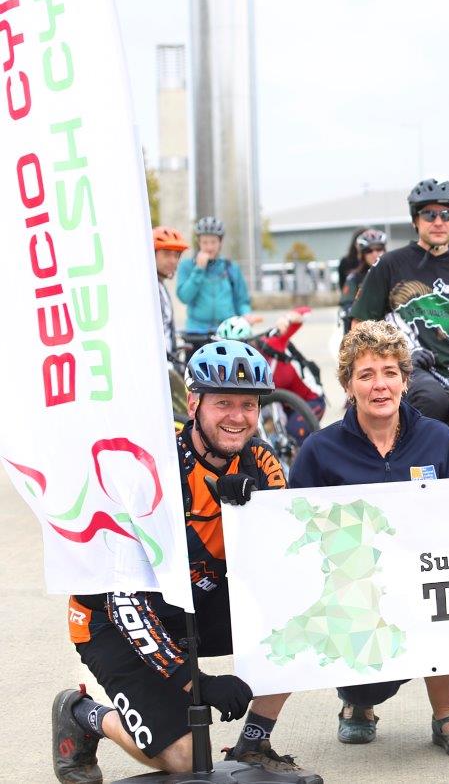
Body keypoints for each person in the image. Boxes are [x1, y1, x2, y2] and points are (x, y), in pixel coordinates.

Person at [53, 340, 319, 783]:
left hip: (192, 602)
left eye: (248, 405)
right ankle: (83, 715)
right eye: (223, 403)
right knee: (184, 757)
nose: (238, 417)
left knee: (304, 612)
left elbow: (286, 563)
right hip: (112, 617)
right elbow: (127, 607)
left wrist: (254, 518)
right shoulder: (155, 473)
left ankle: (253, 743)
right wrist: (199, 682)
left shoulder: (263, 461)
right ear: (193, 402)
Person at [288, 321, 449, 759]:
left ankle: (447, 715)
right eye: (366, 374)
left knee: (448, 598)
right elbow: (293, 529)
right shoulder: (320, 452)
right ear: (347, 384)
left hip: (423, 578)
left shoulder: (438, 439)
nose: (380, 385)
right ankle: (358, 704)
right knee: (368, 685)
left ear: (404, 379)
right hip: (353, 594)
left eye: (389, 372)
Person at [348, 179, 449, 424]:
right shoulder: (389, 265)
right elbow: (359, 326)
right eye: (429, 214)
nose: (438, 221)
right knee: (432, 400)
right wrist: (360, 376)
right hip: (406, 372)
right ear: (415, 220)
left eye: (446, 214)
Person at [218, 310, 326, 438]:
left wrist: (287, 318)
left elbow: (304, 312)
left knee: (295, 432)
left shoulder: (271, 344)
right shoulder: (233, 369)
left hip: (309, 401)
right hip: (280, 407)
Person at [175, 217, 253, 335]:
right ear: (198, 242)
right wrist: (199, 270)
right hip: (196, 332)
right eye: (205, 242)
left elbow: (242, 300)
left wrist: (246, 314)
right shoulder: (187, 266)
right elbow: (184, 297)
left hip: (227, 331)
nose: (209, 247)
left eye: (213, 242)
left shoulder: (231, 267)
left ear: (220, 242)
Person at [339, 228, 386, 333]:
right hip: (365, 331)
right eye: (369, 251)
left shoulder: (394, 274)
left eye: (379, 249)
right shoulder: (354, 278)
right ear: (362, 254)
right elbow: (347, 306)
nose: (375, 254)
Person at [154, 226, 189, 358]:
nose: (173, 260)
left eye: (176, 255)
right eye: (167, 254)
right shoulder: (148, 291)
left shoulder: (160, 286)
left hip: (169, 364)